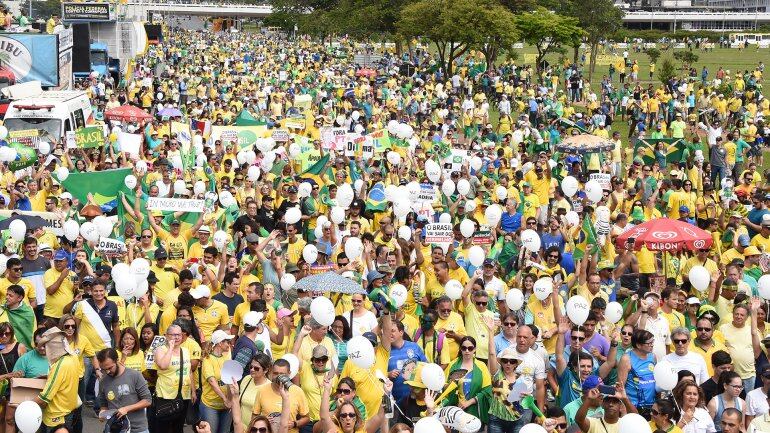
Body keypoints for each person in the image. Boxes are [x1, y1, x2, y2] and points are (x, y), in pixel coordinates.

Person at [34, 327, 81, 433]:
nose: (45, 350)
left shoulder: (59, 365)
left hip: (56, 416)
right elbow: (67, 380)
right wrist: (49, 377)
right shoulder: (73, 357)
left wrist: (25, 404)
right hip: (68, 411)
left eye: (46, 346)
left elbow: (44, 397)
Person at [96, 348, 152, 433]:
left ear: (117, 360)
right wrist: (102, 413)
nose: (107, 372)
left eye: (110, 368)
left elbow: (147, 400)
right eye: (103, 369)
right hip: (116, 429)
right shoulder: (103, 382)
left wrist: (126, 409)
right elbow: (104, 405)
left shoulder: (135, 375)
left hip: (138, 429)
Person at [152, 324, 195, 433]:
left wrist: (193, 391)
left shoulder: (185, 351)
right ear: (166, 336)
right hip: (166, 395)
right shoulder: (160, 350)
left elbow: (189, 371)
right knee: (163, 428)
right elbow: (163, 365)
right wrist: (170, 348)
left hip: (183, 395)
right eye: (173, 335)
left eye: (179, 335)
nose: (176, 338)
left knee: (178, 428)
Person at [252, 358, 309, 433]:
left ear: (289, 373)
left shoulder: (298, 391)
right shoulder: (262, 390)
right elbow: (254, 416)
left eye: (282, 374)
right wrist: (263, 421)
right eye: (276, 373)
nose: (279, 377)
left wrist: (295, 424)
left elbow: (307, 418)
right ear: (271, 373)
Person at [199, 330, 234, 433]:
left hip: (225, 405)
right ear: (220, 343)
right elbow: (212, 382)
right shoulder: (208, 359)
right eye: (227, 342)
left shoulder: (225, 358)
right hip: (210, 405)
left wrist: (230, 400)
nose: (230, 344)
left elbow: (230, 381)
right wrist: (225, 399)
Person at [238, 354, 271, 427]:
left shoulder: (269, 387)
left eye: (256, 368)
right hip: (241, 427)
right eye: (251, 367)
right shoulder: (247, 379)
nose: (252, 370)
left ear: (265, 370)